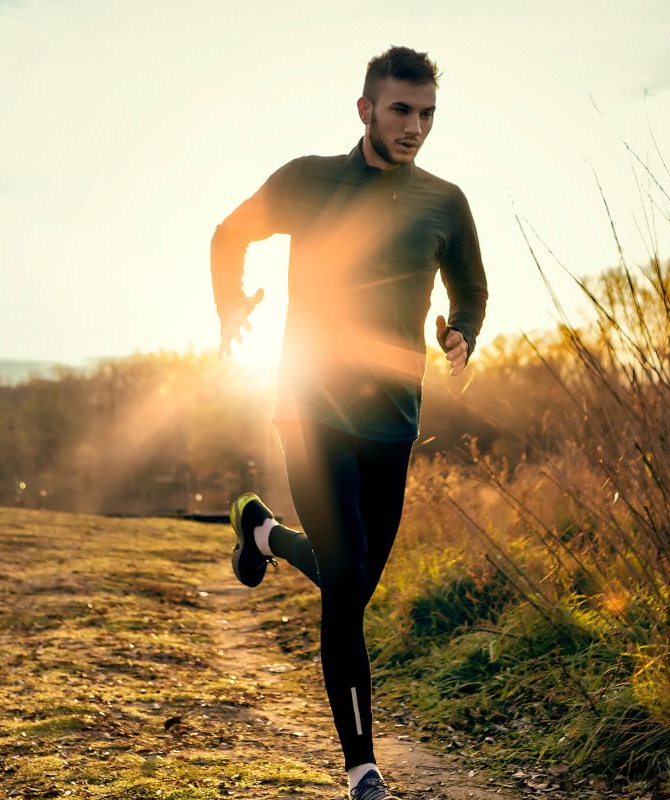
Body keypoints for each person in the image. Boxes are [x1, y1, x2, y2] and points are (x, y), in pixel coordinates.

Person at [209, 46, 488, 800]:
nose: (415, 127)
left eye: (427, 113)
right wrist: (231, 303)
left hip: (393, 419)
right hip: (311, 407)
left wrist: (462, 331)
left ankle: (262, 533)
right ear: (365, 109)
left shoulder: (444, 202)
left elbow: (470, 288)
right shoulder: (310, 180)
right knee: (347, 580)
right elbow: (229, 233)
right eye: (401, 110)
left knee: (353, 578)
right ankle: (363, 768)